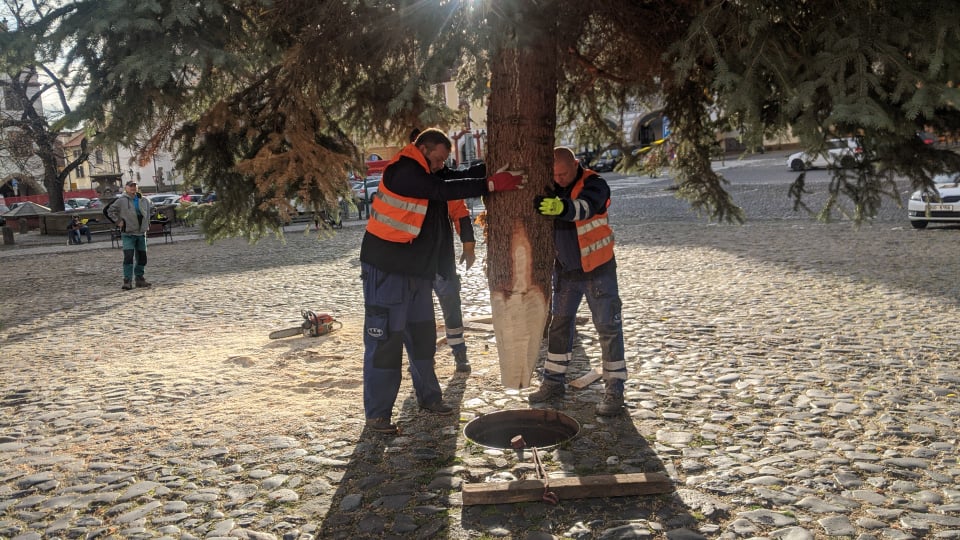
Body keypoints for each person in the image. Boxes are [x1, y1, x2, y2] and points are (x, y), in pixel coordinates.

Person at [359, 128, 525, 434]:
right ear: (422, 148)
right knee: (385, 342)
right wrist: (489, 184)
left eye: (442, 161)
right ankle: (378, 415)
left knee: (422, 338)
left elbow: (452, 177)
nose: (440, 165)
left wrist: (490, 168)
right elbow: (439, 189)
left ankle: (429, 397)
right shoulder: (401, 171)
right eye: (437, 159)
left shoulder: (429, 170)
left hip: (417, 273)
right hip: (386, 271)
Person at [528, 146, 627, 416]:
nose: (559, 179)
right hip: (566, 272)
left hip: (598, 270)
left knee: (608, 328)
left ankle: (614, 390)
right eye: (555, 175)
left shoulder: (596, 184)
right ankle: (553, 382)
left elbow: (586, 208)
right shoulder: (553, 186)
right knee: (558, 328)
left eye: (563, 173)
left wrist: (561, 207)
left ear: (576, 164)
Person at [107, 181, 155, 290]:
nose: (133, 188)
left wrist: (147, 221)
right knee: (128, 257)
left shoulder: (144, 200)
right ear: (126, 188)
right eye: (131, 186)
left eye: (135, 186)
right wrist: (118, 221)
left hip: (141, 233)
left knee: (142, 257)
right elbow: (110, 211)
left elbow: (153, 209)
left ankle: (140, 279)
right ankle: (127, 281)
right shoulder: (121, 200)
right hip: (128, 233)